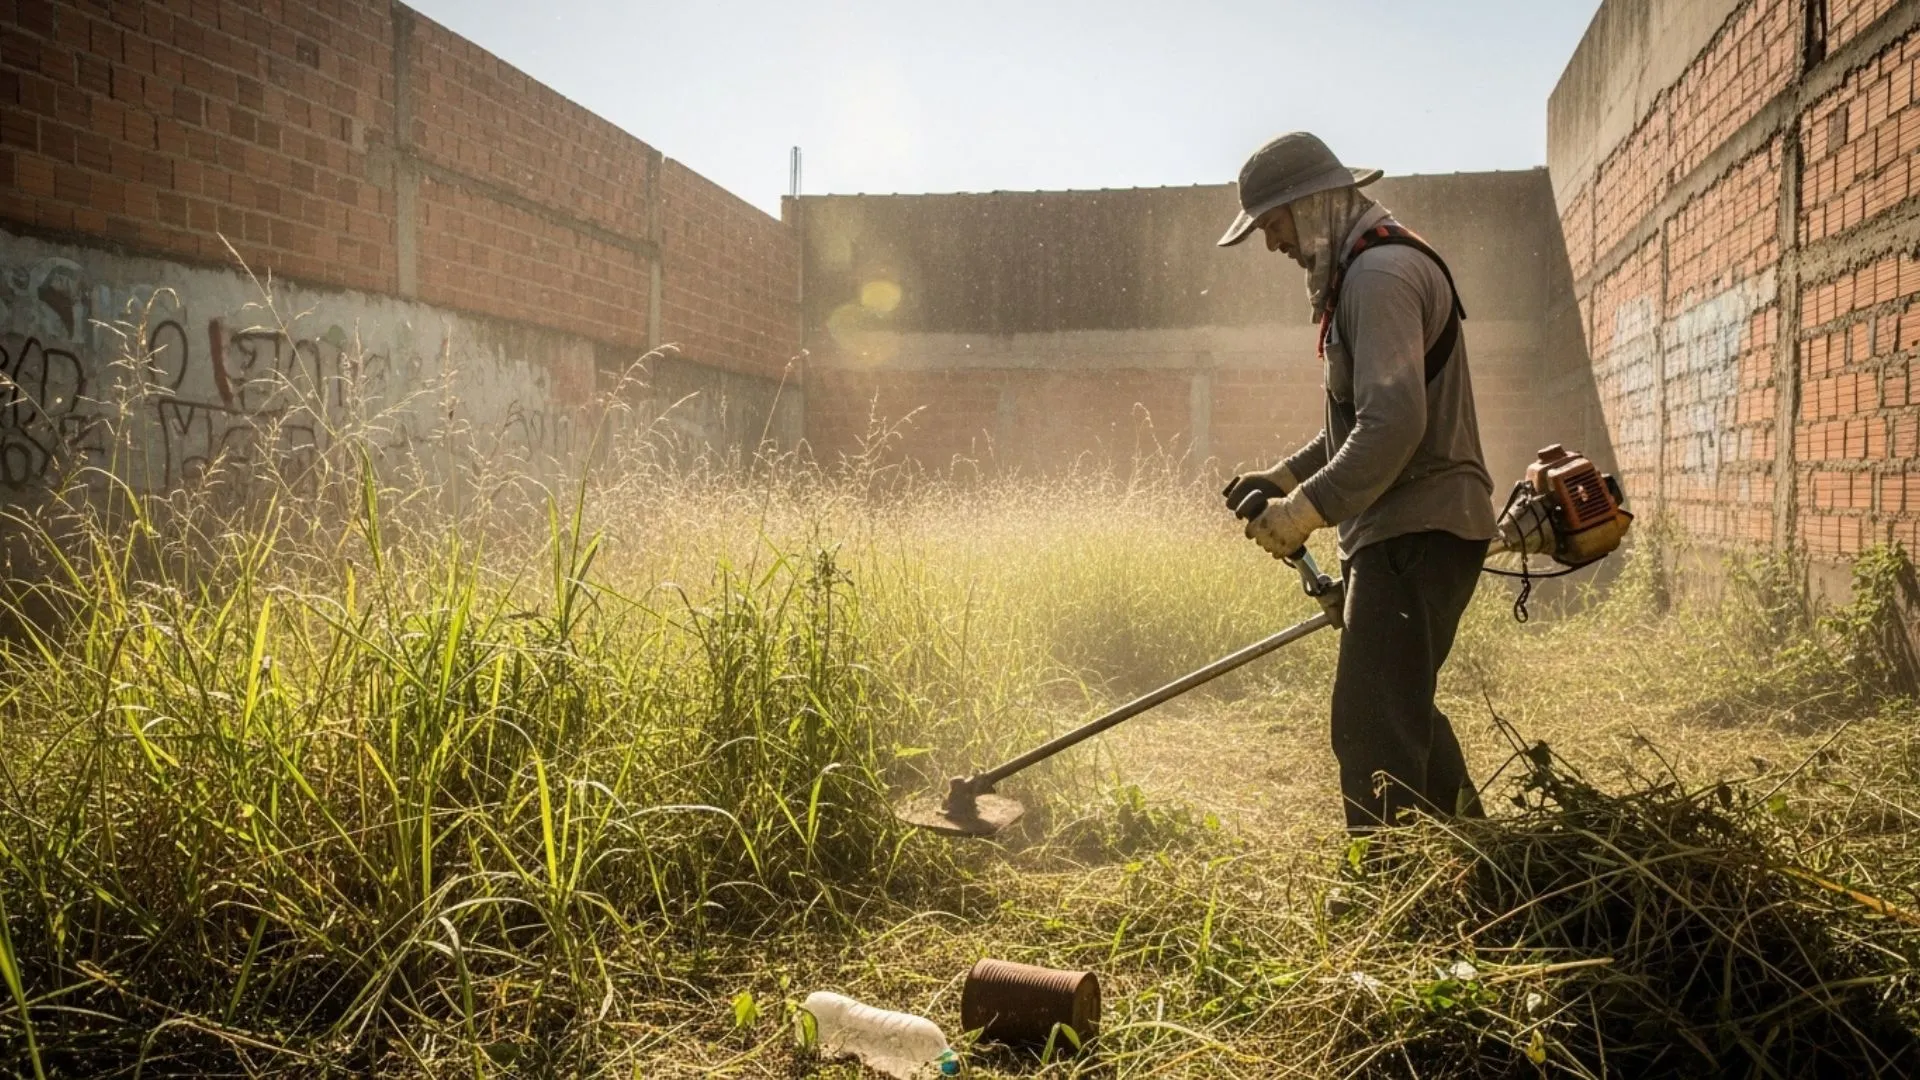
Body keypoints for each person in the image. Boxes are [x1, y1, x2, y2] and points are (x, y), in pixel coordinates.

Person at [1218, 132, 1496, 833]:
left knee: (1371, 724)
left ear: (1310, 206)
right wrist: (1282, 477)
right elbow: (1361, 420)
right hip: (1407, 531)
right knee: (1401, 707)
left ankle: (1389, 888)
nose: (1273, 245)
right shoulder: (1365, 273)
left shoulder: (1379, 277)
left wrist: (1302, 512)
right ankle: (1482, 855)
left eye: (1274, 225)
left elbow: (1394, 427)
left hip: (1417, 531)